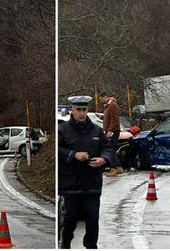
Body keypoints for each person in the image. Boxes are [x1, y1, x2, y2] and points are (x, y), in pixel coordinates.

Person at [58, 96, 113, 249]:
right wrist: (73, 155)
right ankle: (66, 241)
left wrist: (103, 159)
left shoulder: (96, 130)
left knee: (92, 219)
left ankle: (91, 246)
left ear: (87, 111)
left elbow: (108, 148)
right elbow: (57, 150)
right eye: (78, 110)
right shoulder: (62, 130)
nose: (81, 113)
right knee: (71, 217)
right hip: (71, 184)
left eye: (84, 110)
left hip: (92, 183)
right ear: (72, 111)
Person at [100, 92, 123, 177]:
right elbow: (110, 117)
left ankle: (113, 169)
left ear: (106, 97)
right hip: (111, 130)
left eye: (101, 99)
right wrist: (103, 117)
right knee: (112, 149)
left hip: (113, 131)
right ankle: (119, 167)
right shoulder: (108, 105)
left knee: (110, 150)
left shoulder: (112, 105)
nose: (100, 101)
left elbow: (114, 119)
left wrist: (109, 131)